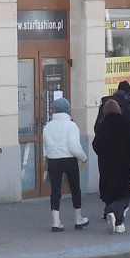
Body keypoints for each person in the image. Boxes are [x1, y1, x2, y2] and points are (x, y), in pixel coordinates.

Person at [92, 97, 130, 233]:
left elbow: (96, 145)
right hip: (124, 165)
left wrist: (103, 155)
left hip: (107, 165)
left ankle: (113, 217)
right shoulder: (126, 124)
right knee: (122, 195)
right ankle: (116, 219)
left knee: (109, 192)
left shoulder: (103, 125)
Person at [42, 97, 89, 232]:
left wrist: (46, 161)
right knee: (75, 188)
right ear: (67, 109)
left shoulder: (48, 126)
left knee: (55, 191)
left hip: (53, 160)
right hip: (69, 160)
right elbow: (74, 146)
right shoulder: (71, 125)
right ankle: (78, 219)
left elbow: (46, 147)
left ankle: (56, 222)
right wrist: (83, 157)